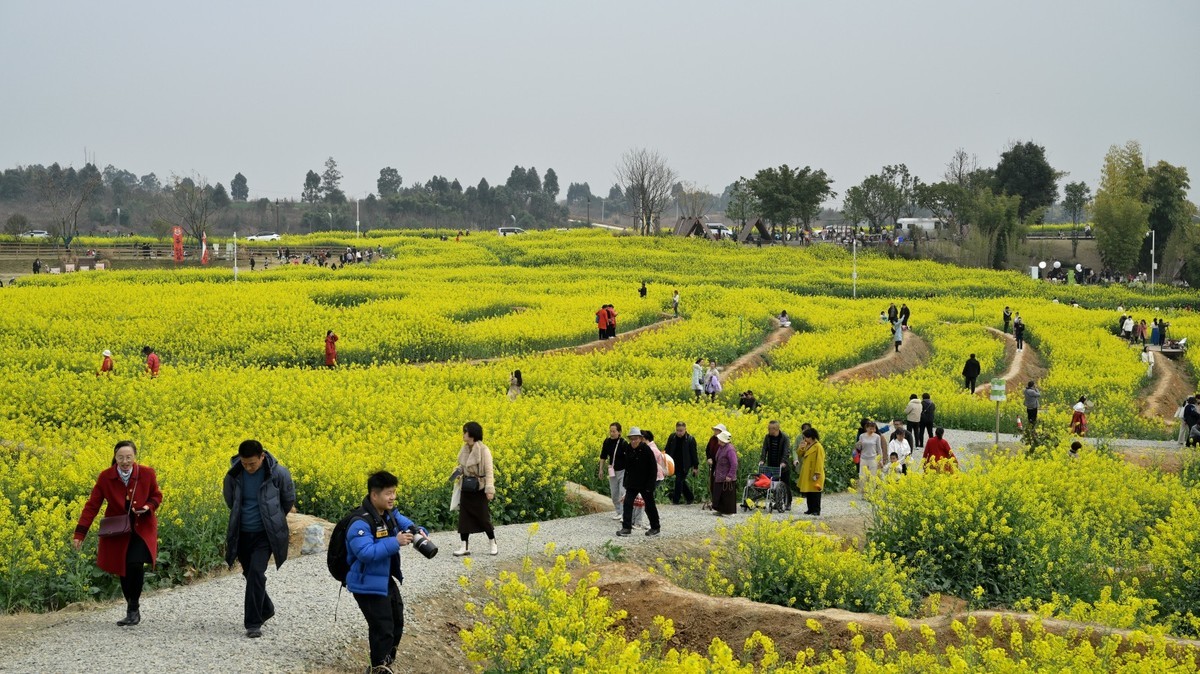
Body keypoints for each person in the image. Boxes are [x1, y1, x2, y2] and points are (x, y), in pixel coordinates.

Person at [73, 440, 163, 627]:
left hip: (141, 527)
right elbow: (92, 506)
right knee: (124, 568)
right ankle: (131, 605)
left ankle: (133, 607)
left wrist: (148, 506)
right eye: (121, 457)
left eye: (129, 457)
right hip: (118, 530)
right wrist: (80, 533)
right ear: (115, 457)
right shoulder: (106, 477)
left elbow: (156, 495)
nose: (125, 461)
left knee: (135, 564)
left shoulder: (146, 473)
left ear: (134, 456)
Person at [346, 471, 428, 674]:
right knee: (382, 629)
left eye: (394, 492)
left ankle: (384, 665)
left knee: (397, 623)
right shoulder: (359, 523)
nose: (393, 497)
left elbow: (406, 523)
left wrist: (418, 531)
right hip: (366, 583)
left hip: (383, 579)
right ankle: (378, 669)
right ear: (374, 495)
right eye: (388, 493)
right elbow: (365, 553)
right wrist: (395, 542)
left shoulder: (389, 514)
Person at [223, 439, 295, 638]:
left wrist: (274, 519)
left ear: (262, 457)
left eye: (252, 464)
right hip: (242, 533)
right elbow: (230, 500)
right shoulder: (234, 474)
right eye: (244, 463)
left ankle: (253, 623)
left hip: (265, 534)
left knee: (256, 572)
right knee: (250, 573)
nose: (248, 467)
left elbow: (288, 500)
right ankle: (267, 607)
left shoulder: (278, 473)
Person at [454, 421, 497, 556]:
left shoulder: (484, 450)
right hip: (466, 487)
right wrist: (457, 472)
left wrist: (489, 490)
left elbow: (489, 471)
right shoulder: (465, 449)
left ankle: (493, 543)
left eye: (465, 432)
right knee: (464, 518)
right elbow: (464, 466)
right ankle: (464, 546)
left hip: (479, 488)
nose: (463, 435)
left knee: (483, 517)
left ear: (472, 434)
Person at [616, 428, 661, 536]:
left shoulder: (646, 450)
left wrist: (650, 485)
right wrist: (626, 482)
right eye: (631, 439)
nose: (633, 441)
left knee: (649, 506)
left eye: (635, 439)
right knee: (627, 504)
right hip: (632, 483)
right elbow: (627, 467)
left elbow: (653, 468)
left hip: (645, 483)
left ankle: (655, 527)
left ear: (640, 439)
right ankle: (626, 528)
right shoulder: (628, 448)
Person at [598, 423, 630, 520]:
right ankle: (618, 512)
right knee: (614, 494)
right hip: (612, 471)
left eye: (614, 431)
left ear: (619, 432)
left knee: (622, 492)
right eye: (610, 431)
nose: (611, 433)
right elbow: (603, 456)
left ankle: (624, 514)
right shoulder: (607, 442)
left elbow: (629, 458)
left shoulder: (623, 443)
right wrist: (601, 470)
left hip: (623, 471)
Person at [664, 422, 699, 505]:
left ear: (685, 430)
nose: (679, 432)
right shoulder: (672, 437)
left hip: (684, 465)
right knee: (681, 482)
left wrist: (695, 467)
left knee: (678, 481)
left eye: (681, 431)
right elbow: (667, 449)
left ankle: (675, 500)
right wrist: (665, 460)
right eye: (677, 430)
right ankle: (690, 497)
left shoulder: (690, 439)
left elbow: (694, 454)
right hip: (673, 464)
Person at [794, 427, 825, 516]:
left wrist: (817, 473)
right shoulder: (807, 445)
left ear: (810, 437)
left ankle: (816, 510)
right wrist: (801, 448)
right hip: (807, 472)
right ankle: (810, 509)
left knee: (815, 492)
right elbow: (800, 454)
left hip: (814, 472)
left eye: (805, 437)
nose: (804, 439)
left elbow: (820, 461)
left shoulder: (818, 447)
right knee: (809, 491)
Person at [759, 421, 792, 503]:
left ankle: (788, 502)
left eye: (769, 428)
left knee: (786, 484)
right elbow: (764, 449)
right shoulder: (767, 437)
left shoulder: (784, 438)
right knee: (773, 484)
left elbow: (786, 451)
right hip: (772, 465)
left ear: (775, 429)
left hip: (783, 466)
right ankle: (775, 501)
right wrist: (762, 460)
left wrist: (783, 462)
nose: (768, 430)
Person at [710, 430, 739, 516]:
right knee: (719, 493)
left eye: (719, 439)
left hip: (727, 477)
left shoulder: (730, 449)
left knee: (727, 495)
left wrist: (730, 475)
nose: (718, 441)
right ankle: (720, 510)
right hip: (719, 475)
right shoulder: (721, 447)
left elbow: (734, 463)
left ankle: (728, 512)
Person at [703, 423, 727, 511]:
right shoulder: (712, 439)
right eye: (715, 430)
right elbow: (707, 449)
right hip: (713, 463)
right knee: (712, 483)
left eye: (716, 430)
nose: (715, 431)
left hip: (721, 465)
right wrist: (709, 458)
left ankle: (720, 502)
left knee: (719, 483)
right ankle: (714, 501)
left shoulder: (724, 441)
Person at [854, 422, 883, 494]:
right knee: (863, 476)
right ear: (866, 428)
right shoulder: (862, 436)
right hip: (863, 458)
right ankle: (864, 492)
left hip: (873, 459)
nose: (872, 430)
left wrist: (880, 460)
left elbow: (879, 449)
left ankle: (871, 492)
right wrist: (857, 445)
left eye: (873, 429)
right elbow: (859, 448)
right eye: (870, 428)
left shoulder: (877, 437)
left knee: (872, 476)